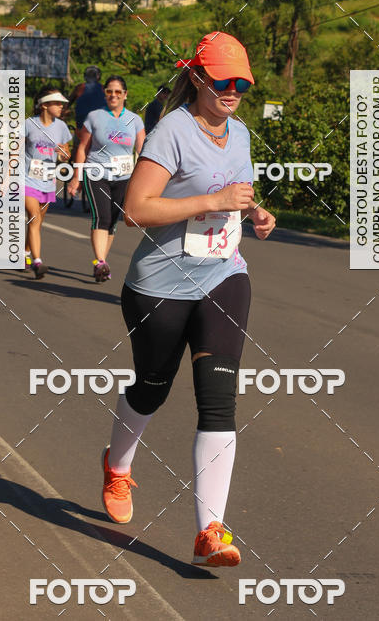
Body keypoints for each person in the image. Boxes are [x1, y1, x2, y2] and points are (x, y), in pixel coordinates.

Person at [98, 31, 276, 567]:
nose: (233, 90)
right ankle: (118, 466)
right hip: (160, 285)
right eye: (223, 80)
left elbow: (235, 196)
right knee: (152, 388)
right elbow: (136, 209)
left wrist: (253, 213)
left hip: (225, 275)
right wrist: (213, 199)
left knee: (218, 399)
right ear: (197, 77)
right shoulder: (171, 132)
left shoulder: (240, 134)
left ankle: (210, 531)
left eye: (242, 82)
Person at [68, 75, 145, 282]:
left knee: (111, 223)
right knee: (101, 217)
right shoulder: (94, 116)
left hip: (123, 177)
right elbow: (83, 147)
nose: (113, 95)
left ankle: (102, 261)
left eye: (118, 92)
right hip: (96, 173)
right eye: (110, 91)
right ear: (105, 93)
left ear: (125, 95)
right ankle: (100, 262)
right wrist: (76, 176)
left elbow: (142, 151)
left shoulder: (135, 120)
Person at [24, 87, 72, 279]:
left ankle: (25, 253)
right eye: (57, 103)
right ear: (44, 105)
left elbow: (66, 155)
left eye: (62, 104)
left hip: (47, 181)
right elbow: (14, 150)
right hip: (26, 178)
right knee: (34, 218)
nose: (61, 107)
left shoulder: (61, 127)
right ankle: (37, 261)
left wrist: (63, 154)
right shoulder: (28, 124)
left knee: (37, 222)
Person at [67, 65, 107, 130]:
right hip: (100, 127)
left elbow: (66, 105)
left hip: (82, 127)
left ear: (85, 77)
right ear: (98, 77)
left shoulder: (80, 87)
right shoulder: (104, 88)